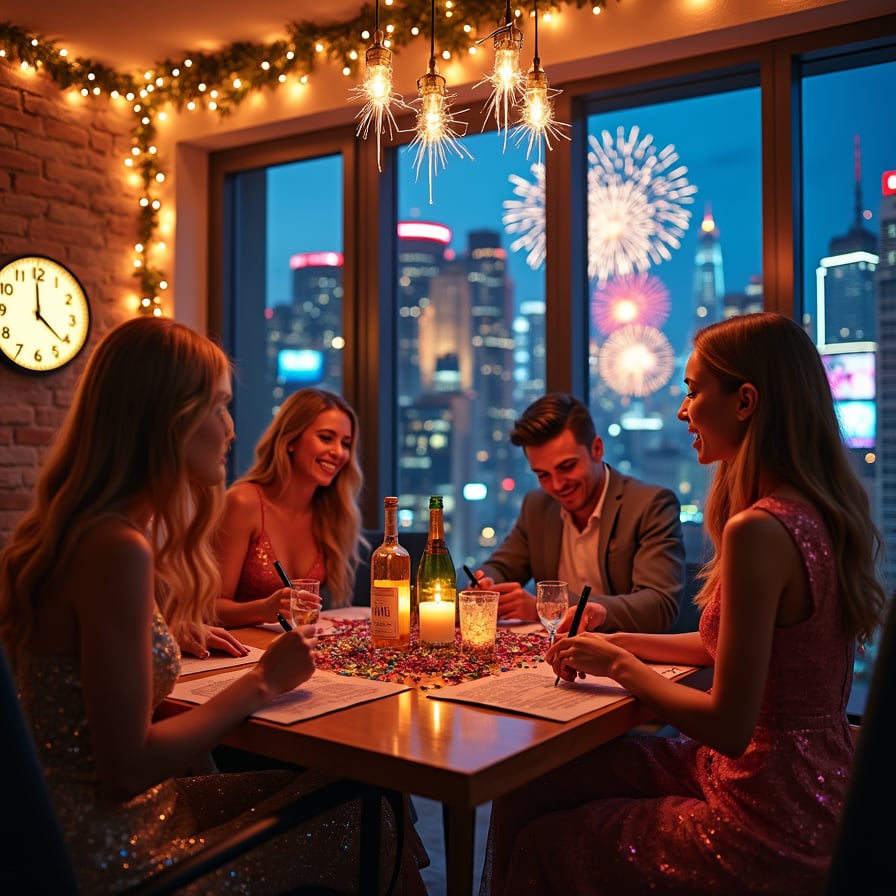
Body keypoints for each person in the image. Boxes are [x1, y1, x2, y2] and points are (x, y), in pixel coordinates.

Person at [0, 317, 425, 895]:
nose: (230, 428)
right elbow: (125, 770)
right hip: (118, 860)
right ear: (169, 417)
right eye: (220, 406)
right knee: (367, 807)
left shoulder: (86, 534)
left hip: (76, 828)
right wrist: (263, 683)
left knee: (365, 786)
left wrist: (174, 632)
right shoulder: (116, 548)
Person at [479, 313, 886, 894]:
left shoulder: (758, 530)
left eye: (693, 391)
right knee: (533, 777)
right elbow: (718, 644)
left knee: (548, 838)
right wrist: (616, 643)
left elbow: (727, 723)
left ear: (744, 401)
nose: (681, 410)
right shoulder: (811, 511)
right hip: (814, 777)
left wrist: (620, 667)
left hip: (768, 808)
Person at [472, 392, 685, 633]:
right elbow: (500, 567)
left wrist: (547, 607)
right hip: (557, 656)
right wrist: (482, 584)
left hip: (627, 657)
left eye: (567, 467)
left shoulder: (650, 505)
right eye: (543, 475)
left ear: (597, 449)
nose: (557, 485)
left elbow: (659, 606)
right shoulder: (537, 505)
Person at [215, 387, 365, 628]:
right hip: (242, 656)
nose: (339, 452)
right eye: (326, 438)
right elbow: (209, 609)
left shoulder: (330, 514)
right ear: (291, 440)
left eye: (346, 444)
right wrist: (265, 609)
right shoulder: (244, 502)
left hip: (293, 652)